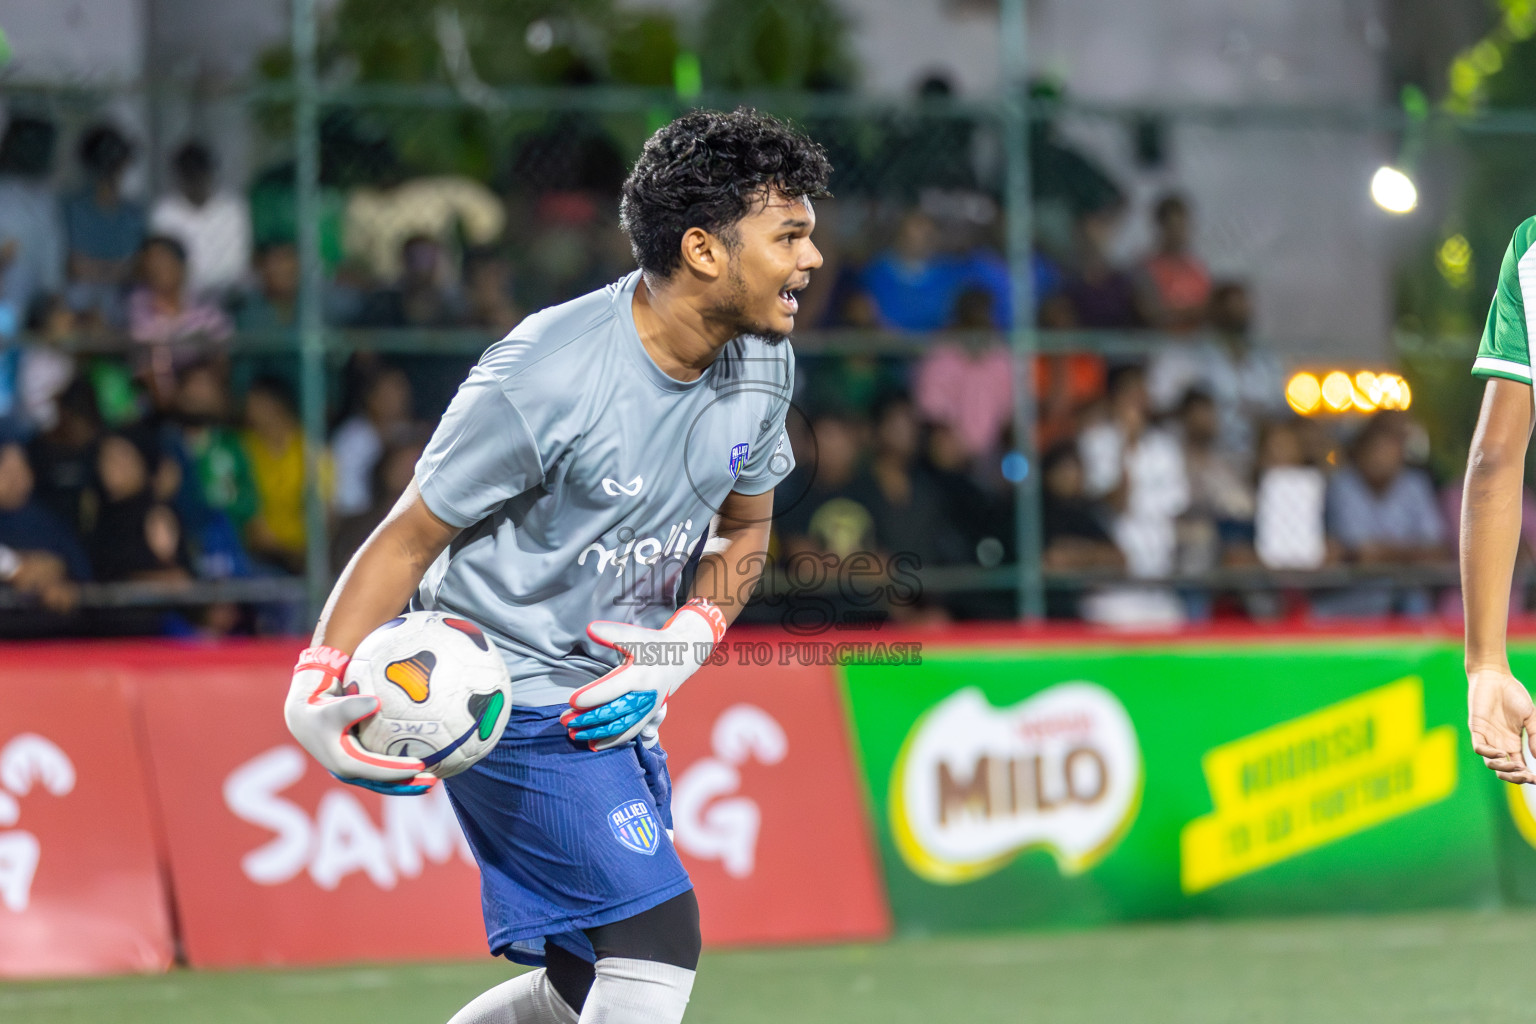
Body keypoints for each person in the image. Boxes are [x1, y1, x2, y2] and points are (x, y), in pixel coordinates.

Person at [281, 108, 826, 1024]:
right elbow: (411, 533)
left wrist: (678, 649)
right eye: (790, 237)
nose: (810, 260)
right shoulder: (546, 372)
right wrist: (314, 680)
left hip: (619, 698)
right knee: (659, 937)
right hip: (509, 694)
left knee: (579, 986)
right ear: (703, 249)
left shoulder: (765, 363)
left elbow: (746, 533)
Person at [63, 123, 145, 326]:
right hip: (80, 303)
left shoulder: (134, 213)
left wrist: (102, 270)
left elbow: (138, 268)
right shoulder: (71, 208)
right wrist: (117, 270)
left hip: (124, 302)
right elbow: (74, 268)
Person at [149, 141, 252, 299]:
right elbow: (163, 264)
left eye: (200, 173)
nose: (196, 181)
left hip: (227, 294)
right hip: (179, 296)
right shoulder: (164, 212)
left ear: (211, 173)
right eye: (190, 175)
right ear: (179, 177)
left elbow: (237, 264)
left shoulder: (232, 208)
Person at [1141, 193, 1210, 333]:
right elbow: (1151, 313)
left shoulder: (1197, 270)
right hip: (1161, 347)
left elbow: (1209, 310)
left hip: (1195, 346)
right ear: (1161, 228)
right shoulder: (1146, 269)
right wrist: (1193, 312)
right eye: (1174, 226)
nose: (1180, 232)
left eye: (1183, 225)